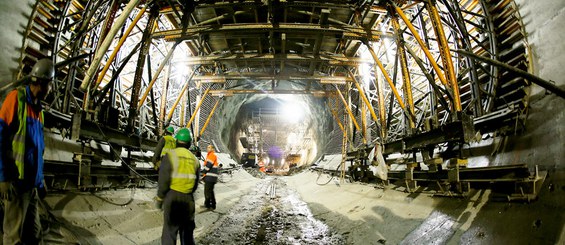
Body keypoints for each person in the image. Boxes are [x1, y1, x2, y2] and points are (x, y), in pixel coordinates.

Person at [0, 58, 54, 244]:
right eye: (51, 85)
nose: (51, 90)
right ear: (43, 83)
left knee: (34, 235)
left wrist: (41, 181)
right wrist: (4, 178)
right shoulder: (16, 99)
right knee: (13, 237)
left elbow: (37, 151)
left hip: (31, 187)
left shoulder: (39, 112)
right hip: (16, 183)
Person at [155, 128, 200, 245]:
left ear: (176, 141)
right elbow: (195, 185)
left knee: (169, 233)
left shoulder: (170, 156)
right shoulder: (195, 160)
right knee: (187, 235)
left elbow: (163, 181)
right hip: (189, 200)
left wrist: (160, 199)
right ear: (190, 144)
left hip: (173, 198)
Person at [202, 144, 219, 210]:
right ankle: (212, 205)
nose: (207, 149)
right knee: (210, 191)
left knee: (207, 191)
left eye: (209, 147)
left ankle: (208, 205)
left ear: (212, 149)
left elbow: (208, 165)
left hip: (210, 177)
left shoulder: (212, 155)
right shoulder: (210, 155)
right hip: (211, 177)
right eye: (207, 147)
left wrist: (203, 172)